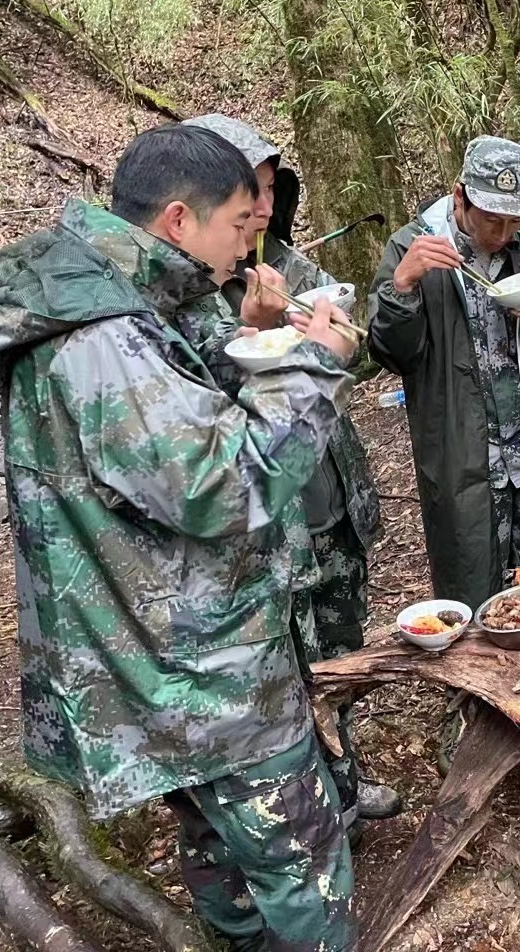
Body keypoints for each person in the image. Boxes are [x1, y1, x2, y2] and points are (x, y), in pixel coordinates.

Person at [0, 124, 358, 950]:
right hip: (203, 674)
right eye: (242, 225)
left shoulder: (100, 299)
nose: (249, 243)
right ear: (179, 220)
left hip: (160, 659)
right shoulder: (103, 339)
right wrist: (313, 361)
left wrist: (239, 337)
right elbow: (225, 484)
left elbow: (157, 443)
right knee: (301, 866)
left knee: (221, 855)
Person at [178, 113, 395, 829]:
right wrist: (255, 333)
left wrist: (330, 329)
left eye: (271, 188)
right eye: (249, 191)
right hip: (267, 526)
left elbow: (358, 358)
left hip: (330, 504)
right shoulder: (185, 298)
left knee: (341, 657)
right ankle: (309, 815)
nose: (263, 206)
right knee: (287, 674)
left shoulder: (292, 269)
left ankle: (348, 778)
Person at [367, 136, 520, 607]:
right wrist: (402, 287)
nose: (504, 232)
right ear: (459, 196)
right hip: (464, 453)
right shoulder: (413, 246)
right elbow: (392, 354)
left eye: (515, 219)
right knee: (473, 590)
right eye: (492, 218)